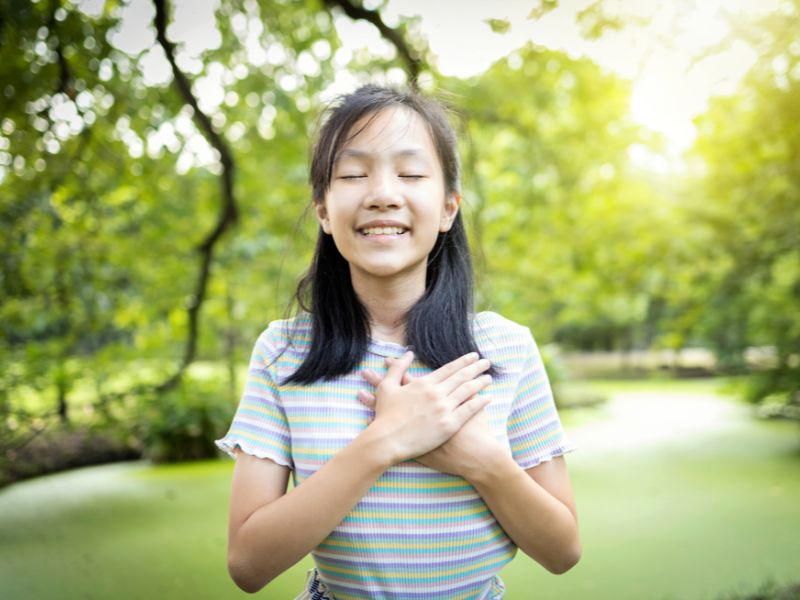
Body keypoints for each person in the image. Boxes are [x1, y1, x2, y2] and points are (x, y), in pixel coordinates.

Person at [215, 84, 580, 600]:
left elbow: (562, 550)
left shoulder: (507, 348)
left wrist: (479, 459)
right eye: (353, 174)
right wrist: (386, 441)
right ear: (323, 209)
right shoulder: (284, 352)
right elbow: (248, 564)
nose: (383, 193)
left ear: (448, 209)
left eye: (410, 174)